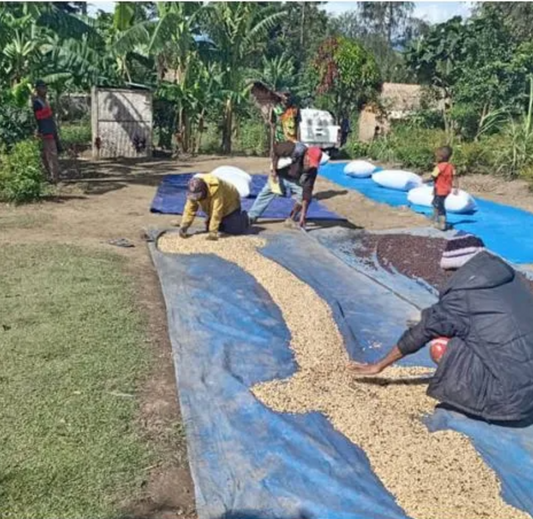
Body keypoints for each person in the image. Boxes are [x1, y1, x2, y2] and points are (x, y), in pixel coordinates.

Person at [348, 234, 533, 423]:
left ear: (459, 267)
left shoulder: (462, 296)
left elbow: (421, 333)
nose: (449, 276)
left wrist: (378, 366)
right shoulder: (510, 277)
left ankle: (474, 394)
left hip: (511, 401)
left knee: (439, 344)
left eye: (450, 271)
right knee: (463, 327)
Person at [248, 141, 322, 229]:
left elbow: (307, 192)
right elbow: (276, 150)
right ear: (306, 155)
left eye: (313, 164)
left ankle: (291, 219)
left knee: (302, 196)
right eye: (309, 161)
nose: (310, 165)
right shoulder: (294, 149)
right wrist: (274, 170)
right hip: (280, 175)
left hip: (295, 181)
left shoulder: (312, 170)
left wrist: (303, 216)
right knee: (266, 193)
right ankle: (251, 216)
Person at [179, 175, 249, 241]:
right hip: (211, 208)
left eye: (198, 196)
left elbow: (217, 211)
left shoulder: (216, 188)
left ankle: (244, 218)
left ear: (204, 191)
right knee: (212, 228)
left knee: (234, 230)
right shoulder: (193, 191)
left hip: (230, 205)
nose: (196, 198)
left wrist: (213, 232)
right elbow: (189, 209)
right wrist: (184, 226)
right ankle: (220, 222)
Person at [32, 79, 60, 184]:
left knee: (50, 154)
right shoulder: (37, 103)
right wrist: (40, 132)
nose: (45, 89)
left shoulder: (45, 101)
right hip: (45, 132)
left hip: (50, 131)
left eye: (45, 87)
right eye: (42, 87)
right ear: (38, 89)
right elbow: (39, 119)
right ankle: (52, 177)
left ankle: (52, 176)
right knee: (50, 155)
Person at [426, 146, 458, 231]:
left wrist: (424, 180)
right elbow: (455, 177)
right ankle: (434, 218)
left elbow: (432, 178)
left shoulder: (438, 167)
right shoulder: (451, 166)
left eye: (437, 156)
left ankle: (442, 224)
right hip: (446, 190)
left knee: (440, 207)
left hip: (440, 190)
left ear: (440, 157)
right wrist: (456, 188)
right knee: (435, 203)